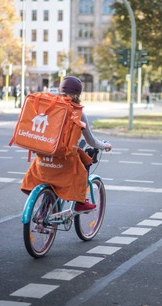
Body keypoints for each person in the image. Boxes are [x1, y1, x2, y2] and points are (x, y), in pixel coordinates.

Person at [20, 76, 112, 212]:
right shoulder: (78, 112)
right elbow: (90, 141)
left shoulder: (49, 107)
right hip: (64, 163)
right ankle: (80, 202)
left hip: (42, 161)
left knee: (50, 173)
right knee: (83, 166)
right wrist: (104, 145)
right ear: (77, 93)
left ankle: (42, 201)